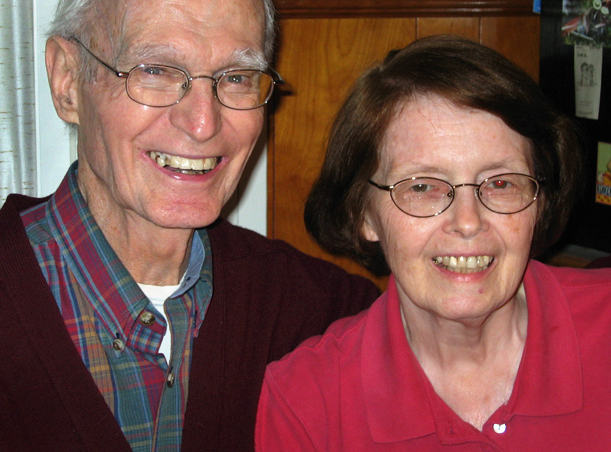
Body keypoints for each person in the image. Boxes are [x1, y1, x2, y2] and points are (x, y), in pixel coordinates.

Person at [0, 0, 379, 451]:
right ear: (68, 81)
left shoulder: (323, 316)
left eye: (236, 78)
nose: (203, 123)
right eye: (156, 70)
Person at [255, 35, 611, 451]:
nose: (467, 222)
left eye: (500, 183)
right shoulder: (305, 403)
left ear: (539, 202)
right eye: (422, 186)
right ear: (363, 214)